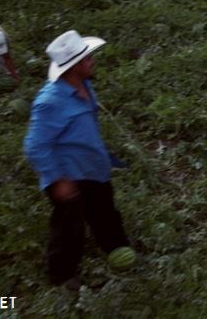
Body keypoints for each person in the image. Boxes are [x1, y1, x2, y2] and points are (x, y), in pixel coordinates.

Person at [23, 30, 133, 287]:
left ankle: (115, 246)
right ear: (74, 66)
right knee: (69, 226)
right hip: (68, 176)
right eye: (87, 59)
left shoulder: (85, 85)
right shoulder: (50, 102)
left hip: (93, 167)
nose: (92, 61)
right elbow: (35, 146)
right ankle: (61, 274)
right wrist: (57, 179)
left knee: (104, 210)